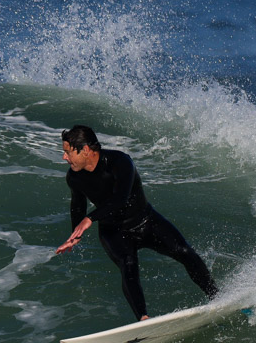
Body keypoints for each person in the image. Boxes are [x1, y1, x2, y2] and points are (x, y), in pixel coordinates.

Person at [56, 125, 218, 321]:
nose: (64, 157)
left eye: (67, 152)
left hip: (145, 221)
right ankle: (143, 318)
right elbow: (77, 206)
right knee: (128, 264)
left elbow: (120, 199)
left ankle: (217, 297)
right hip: (113, 230)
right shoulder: (74, 177)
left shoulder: (120, 162)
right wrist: (75, 234)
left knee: (184, 252)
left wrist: (90, 219)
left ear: (86, 150)